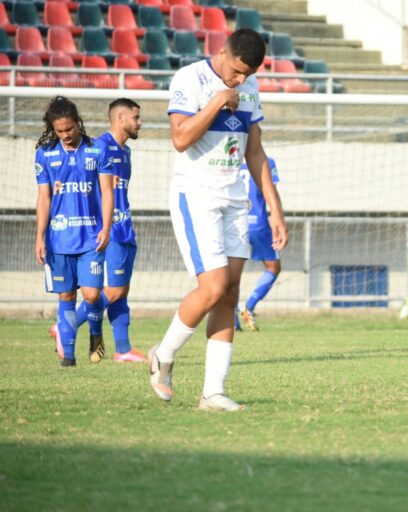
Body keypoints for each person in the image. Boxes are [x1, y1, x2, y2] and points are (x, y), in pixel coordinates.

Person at [148, 28, 287, 412]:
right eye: (238, 71)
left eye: (248, 75)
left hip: (234, 200)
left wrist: (275, 209)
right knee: (211, 288)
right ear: (222, 52)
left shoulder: (251, 88)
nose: (241, 81)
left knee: (229, 293)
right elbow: (180, 138)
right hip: (196, 196)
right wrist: (217, 101)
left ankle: (213, 392)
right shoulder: (190, 79)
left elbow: (255, 153)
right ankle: (163, 354)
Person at [64, 99, 148, 363]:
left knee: (121, 291)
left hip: (124, 228)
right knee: (112, 291)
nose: (140, 122)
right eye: (136, 117)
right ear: (120, 118)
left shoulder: (126, 152)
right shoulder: (99, 147)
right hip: (107, 231)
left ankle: (123, 349)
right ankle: (64, 327)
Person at [35, 96, 114, 367]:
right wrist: (39, 236)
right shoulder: (45, 154)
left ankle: (95, 330)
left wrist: (106, 226)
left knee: (92, 294)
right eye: (60, 131)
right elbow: (44, 198)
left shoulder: (97, 150)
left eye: (69, 128)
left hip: (91, 236)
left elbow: (107, 191)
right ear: (52, 129)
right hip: (58, 239)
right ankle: (68, 358)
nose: (66, 135)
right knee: (66, 295)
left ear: (77, 123)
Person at [237, 157, 282, 332]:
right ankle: (250, 305)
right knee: (273, 267)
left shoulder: (231, 160)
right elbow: (273, 193)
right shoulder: (266, 162)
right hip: (259, 224)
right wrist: (279, 220)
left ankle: (231, 319)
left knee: (233, 272)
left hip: (234, 223)